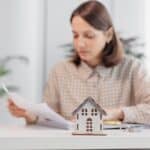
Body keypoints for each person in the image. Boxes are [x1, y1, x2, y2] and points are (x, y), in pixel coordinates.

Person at [8, 0, 150, 125]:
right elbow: (49, 116)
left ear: (108, 35)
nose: (80, 44)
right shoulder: (60, 71)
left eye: (89, 36)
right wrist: (29, 115)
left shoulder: (133, 69)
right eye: (75, 35)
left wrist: (118, 113)